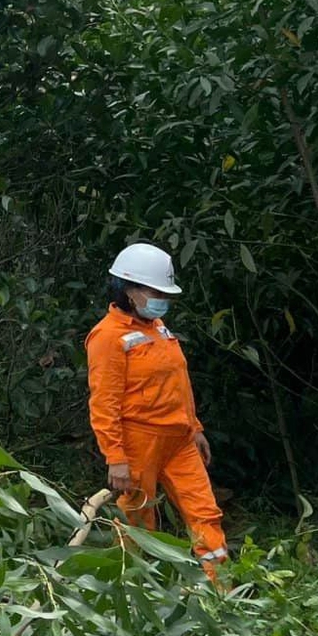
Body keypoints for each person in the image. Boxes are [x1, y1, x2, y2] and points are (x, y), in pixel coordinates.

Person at [84, 242, 227, 582]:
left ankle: (221, 589)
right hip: (138, 444)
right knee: (137, 520)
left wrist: (195, 427)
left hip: (179, 440)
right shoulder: (107, 337)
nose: (162, 298)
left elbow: (178, 381)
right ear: (128, 290)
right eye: (154, 290)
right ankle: (132, 589)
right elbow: (104, 403)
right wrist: (115, 457)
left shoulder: (158, 327)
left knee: (205, 513)